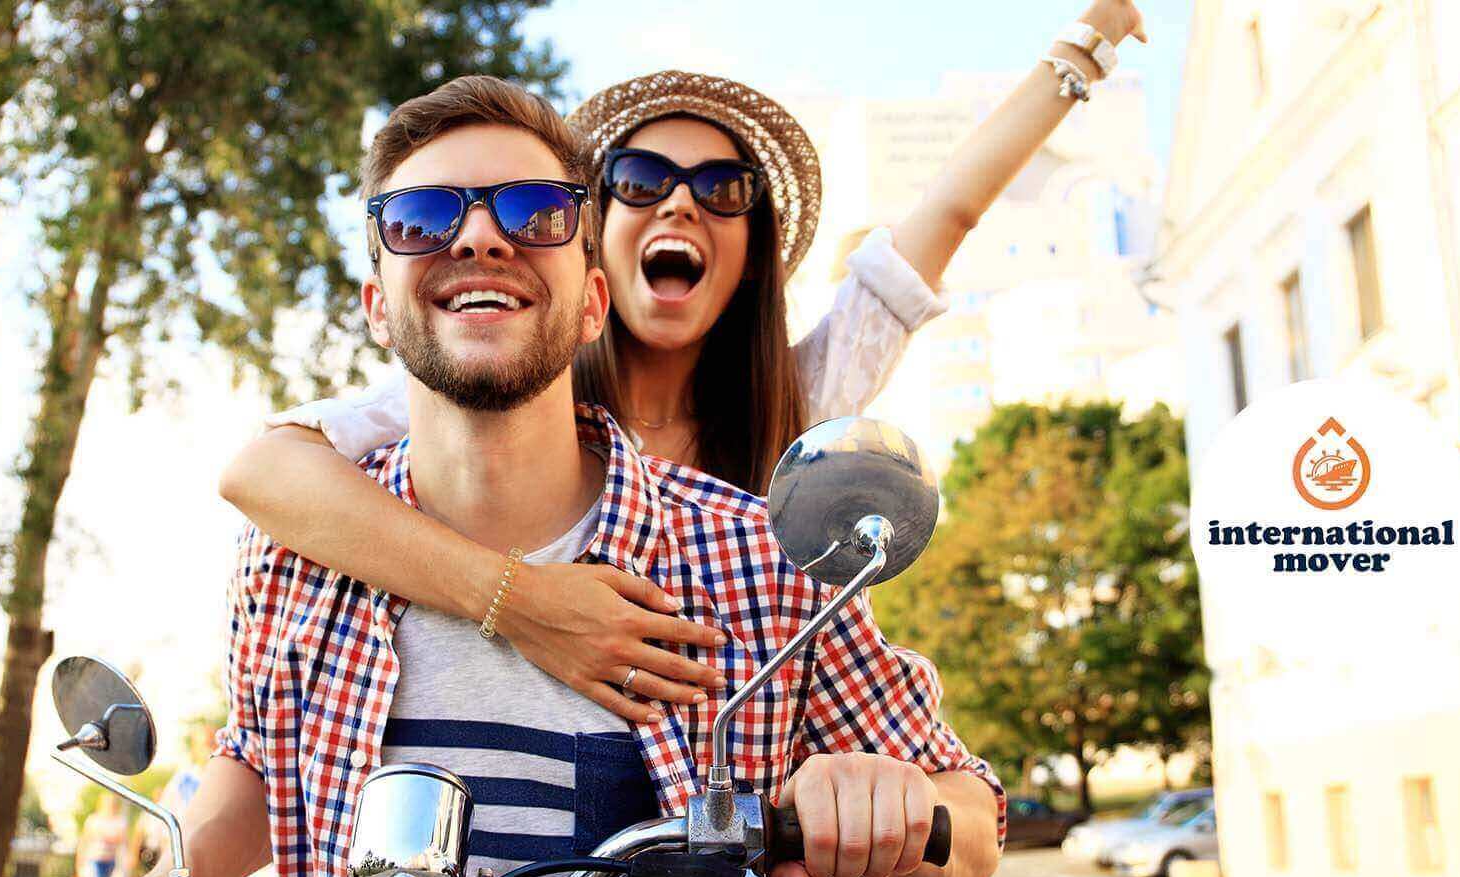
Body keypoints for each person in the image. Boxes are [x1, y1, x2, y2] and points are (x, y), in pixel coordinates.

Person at [56, 75, 1005, 877]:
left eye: (534, 211)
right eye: (421, 218)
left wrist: (885, 804)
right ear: (379, 306)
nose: (478, 238)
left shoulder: (752, 555)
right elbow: (263, 759)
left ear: (593, 298)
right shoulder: (300, 549)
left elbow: (972, 825)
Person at [217, 1, 1149, 725]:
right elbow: (265, 470)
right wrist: (521, 601)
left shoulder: (801, 402)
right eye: (638, 181)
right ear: (588, 243)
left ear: (752, 248)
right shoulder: (510, 384)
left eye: (722, 188)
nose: (679, 206)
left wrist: (1084, 46)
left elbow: (942, 216)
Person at [76, 800, 125, 877]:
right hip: (95, 858)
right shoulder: (94, 820)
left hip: (110, 858)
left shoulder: (119, 820)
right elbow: (84, 840)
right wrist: (79, 859)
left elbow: (122, 839)